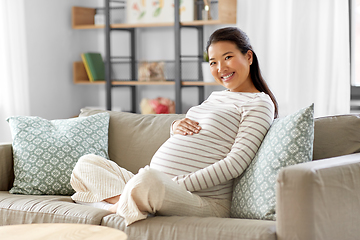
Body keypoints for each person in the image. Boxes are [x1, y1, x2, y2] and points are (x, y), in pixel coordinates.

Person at [70, 27, 278, 226]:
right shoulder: (216, 97)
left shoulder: (259, 103)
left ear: (248, 57)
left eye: (228, 57)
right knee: (86, 164)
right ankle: (130, 200)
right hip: (162, 185)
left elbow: (235, 163)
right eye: (213, 62)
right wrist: (175, 127)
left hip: (203, 200)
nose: (220, 68)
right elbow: (198, 132)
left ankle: (111, 205)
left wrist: (174, 184)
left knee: (147, 180)